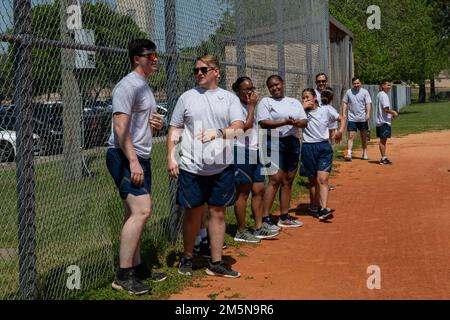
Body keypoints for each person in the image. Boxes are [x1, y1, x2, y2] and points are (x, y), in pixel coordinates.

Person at [167, 55, 245, 278]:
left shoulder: (228, 99)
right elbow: (175, 128)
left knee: (218, 213)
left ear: (216, 72)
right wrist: (172, 158)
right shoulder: (186, 98)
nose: (199, 73)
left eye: (203, 69)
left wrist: (218, 133)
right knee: (192, 214)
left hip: (221, 166)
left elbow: (239, 127)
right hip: (192, 166)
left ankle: (216, 262)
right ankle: (188, 256)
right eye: (196, 70)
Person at [106, 39, 167, 295]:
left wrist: (155, 125)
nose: (155, 60)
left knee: (134, 213)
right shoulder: (127, 85)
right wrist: (132, 161)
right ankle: (123, 275)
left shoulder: (144, 87)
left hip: (141, 155)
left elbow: (140, 126)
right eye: (150, 55)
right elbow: (120, 127)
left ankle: (137, 266)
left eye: (155, 55)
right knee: (142, 211)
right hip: (124, 156)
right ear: (136, 58)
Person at [232, 77, 279, 243]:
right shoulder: (235, 106)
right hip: (241, 150)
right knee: (243, 193)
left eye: (251, 88)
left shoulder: (253, 105)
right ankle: (241, 231)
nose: (249, 92)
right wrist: (252, 107)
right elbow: (245, 127)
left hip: (255, 150)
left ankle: (259, 227)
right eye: (245, 89)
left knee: (259, 189)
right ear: (237, 91)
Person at [257, 75, 308, 229]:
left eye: (277, 84)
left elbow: (304, 122)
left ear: (282, 84)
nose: (275, 88)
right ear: (268, 88)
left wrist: (296, 122)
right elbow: (263, 123)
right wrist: (285, 122)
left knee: (288, 179)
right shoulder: (265, 102)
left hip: (292, 141)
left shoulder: (294, 102)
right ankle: (265, 218)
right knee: (275, 179)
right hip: (272, 140)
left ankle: (284, 216)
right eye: (271, 86)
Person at [301, 88, 346, 220]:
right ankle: (314, 205)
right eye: (303, 98)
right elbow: (294, 122)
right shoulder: (301, 112)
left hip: (323, 147)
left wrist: (340, 131)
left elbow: (342, 118)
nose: (305, 100)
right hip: (308, 147)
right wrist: (302, 109)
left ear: (315, 98)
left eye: (307, 97)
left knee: (323, 179)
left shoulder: (326, 110)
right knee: (313, 180)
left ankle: (324, 208)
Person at [342, 77, 372, 161]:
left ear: (360, 83)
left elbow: (368, 103)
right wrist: (344, 113)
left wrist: (368, 113)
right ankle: (349, 153)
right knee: (351, 136)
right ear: (352, 84)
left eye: (357, 83)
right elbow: (345, 103)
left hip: (362, 118)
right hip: (352, 118)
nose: (356, 85)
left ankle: (364, 152)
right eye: (354, 83)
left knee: (363, 136)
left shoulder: (365, 92)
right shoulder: (348, 92)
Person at [376, 80, 398, 164]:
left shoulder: (380, 94)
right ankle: (383, 158)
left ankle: (384, 157)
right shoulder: (384, 95)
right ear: (383, 86)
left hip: (381, 121)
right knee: (383, 140)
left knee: (383, 140)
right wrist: (393, 112)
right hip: (383, 122)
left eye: (390, 85)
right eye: (388, 85)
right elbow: (385, 110)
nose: (389, 87)